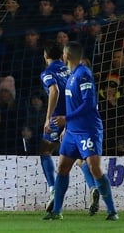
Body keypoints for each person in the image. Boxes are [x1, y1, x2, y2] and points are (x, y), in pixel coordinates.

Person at [44, 41, 118, 221]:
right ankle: (57, 211)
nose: (62, 55)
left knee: (94, 168)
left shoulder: (83, 74)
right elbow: (72, 104)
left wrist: (66, 119)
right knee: (63, 167)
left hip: (88, 130)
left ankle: (112, 211)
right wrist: (67, 127)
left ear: (67, 55)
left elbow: (89, 104)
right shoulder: (71, 75)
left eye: (64, 53)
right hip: (72, 131)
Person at [39, 41, 72, 212]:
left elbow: (54, 91)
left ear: (45, 55)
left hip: (57, 119)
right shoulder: (71, 70)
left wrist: (48, 118)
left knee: (45, 151)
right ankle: (93, 187)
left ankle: (53, 189)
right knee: (79, 158)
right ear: (61, 56)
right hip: (75, 117)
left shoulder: (47, 72)